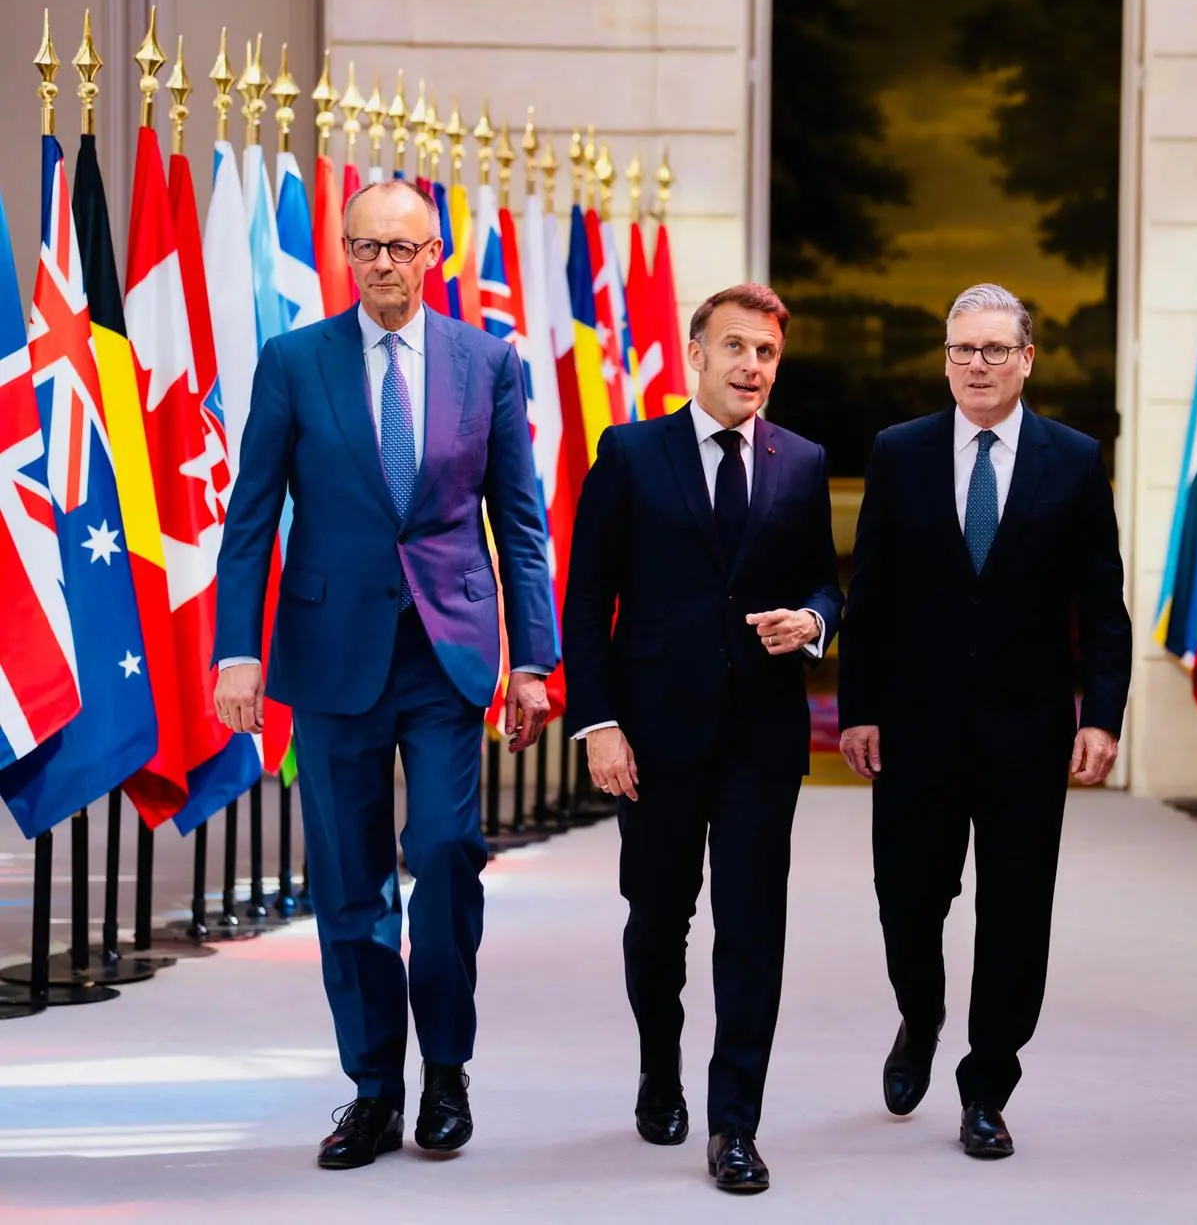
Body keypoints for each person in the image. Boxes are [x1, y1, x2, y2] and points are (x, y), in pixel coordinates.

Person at [212, 178, 558, 1169]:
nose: (384, 264)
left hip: (446, 653)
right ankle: (372, 1087)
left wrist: (533, 661)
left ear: (433, 254)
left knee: (446, 853)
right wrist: (240, 652)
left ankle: (446, 1068)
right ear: (344, 251)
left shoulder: (485, 361)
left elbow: (520, 523)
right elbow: (251, 517)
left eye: (402, 248)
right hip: (329, 659)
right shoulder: (293, 361)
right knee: (348, 879)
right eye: (367, 246)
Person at [838, 282, 1131, 1160]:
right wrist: (857, 710)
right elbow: (872, 593)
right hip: (916, 726)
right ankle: (919, 1012)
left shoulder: (1073, 460)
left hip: (1027, 729)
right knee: (907, 898)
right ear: (945, 358)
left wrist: (1101, 713)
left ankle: (986, 1084)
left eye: (995, 350)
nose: (976, 365)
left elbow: (1101, 604)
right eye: (962, 349)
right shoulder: (900, 451)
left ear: (1026, 359)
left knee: (1013, 911)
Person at [563, 283, 841, 1196]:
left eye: (765, 352)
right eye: (735, 348)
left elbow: (826, 586)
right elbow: (585, 600)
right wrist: (599, 724)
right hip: (652, 736)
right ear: (697, 353)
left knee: (753, 928)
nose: (751, 366)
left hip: (762, 737)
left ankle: (734, 1125)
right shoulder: (632, 453)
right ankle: (658, 1068)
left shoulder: (801, 463)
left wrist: (812, 617)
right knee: (657, 920)